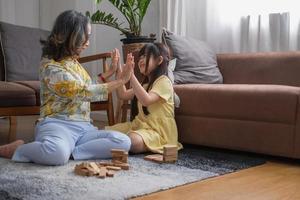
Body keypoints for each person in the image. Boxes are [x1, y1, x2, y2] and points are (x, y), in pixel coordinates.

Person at [0, 10, 133, 165]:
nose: (88, 43)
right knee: (55, 154)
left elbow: (86, 87)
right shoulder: (50, 66)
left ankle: (70, 152)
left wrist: (107, 74)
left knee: (123, 141)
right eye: (85, 37)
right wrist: (120, 81)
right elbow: (81, 91)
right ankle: (20, 149)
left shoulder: (74, 63)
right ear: (71, 37)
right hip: (57, 125)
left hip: (84, 128)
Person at [106, 43, 183, 154]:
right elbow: (122, 94)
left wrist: (131, 75)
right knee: (108, 131)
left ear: (159, 60)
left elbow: (146, 100)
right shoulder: (145, 86)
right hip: (139, 127)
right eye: (140, 57)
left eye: (145, 56)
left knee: (131, 140)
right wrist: (118, 67)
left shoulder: (164, 81)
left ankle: (110, 145)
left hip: (158, 133)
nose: (141, 60)